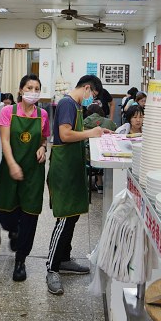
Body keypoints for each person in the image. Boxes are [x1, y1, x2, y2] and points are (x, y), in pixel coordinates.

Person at [46, 75, 106, 295]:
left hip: (72, 168)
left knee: (72, 216)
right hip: (63, 170)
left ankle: (63, 258)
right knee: (64, 219)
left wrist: (99, 133)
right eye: (93, 95)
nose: (92, 99)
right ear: (87, 88)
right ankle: (51, 268)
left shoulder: (77, 106)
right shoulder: (66, 104)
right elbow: (65, 134)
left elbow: (76, 132)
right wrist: (91, 133)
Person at [0, 75, 49, 282]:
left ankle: (21, 261)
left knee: (30, 217)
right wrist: (12, 164)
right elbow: (5, 141)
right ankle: (13, 231)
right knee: (6, 216)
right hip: (10, 169)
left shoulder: (43, 114)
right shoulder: (8, 112)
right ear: (21, 90)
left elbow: (43, 137)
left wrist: (42, 148)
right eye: (29, 87)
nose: (33, 91)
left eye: (37, 88)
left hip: (33, 173)